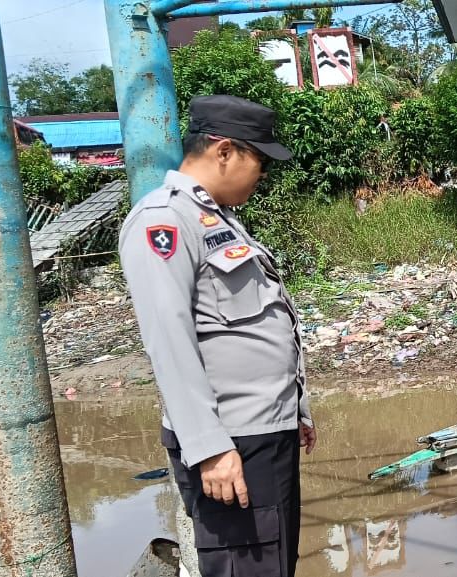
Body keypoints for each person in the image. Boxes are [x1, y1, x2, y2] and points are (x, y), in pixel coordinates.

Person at [119, 95, 315, 577]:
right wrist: (209, 448)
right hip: (232, 444)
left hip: (266, 432)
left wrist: (296, 411)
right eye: (259, 160)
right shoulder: (164, 221)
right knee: (246, 569)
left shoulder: (219, 221)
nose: (263, 174)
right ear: (223, 151)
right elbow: (169, 342)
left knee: (274, 564)